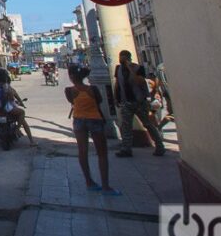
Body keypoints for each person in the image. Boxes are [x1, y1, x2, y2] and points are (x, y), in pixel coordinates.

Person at [65, 65, 120, 195]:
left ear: (71, 77)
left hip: (78, 120)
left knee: (82, 152)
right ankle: (105, 186)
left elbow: (71, 102)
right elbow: (99, 101)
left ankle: (89, 182)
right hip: (94, 119)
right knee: (102, 153)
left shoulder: (69, 90)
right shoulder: (92, 89)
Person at [113, 50, 165, 157]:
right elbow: (117, 84)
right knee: (126, 126)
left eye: (123, 57)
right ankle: (126, 149)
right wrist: (116, 98)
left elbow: (139, 81)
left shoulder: (138, 68)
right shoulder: (118, 69)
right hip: (126, 102)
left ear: (128, 58)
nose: (121, 59)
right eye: (120, 57)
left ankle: (159, 146)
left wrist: (130, 68)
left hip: (140, 102)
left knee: (147, 124)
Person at [0, 68, 36, 146]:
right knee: (22, 113)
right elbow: (13, 96)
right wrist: (20, 103)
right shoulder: (6, 86)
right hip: (6, 109)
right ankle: (20, 132)